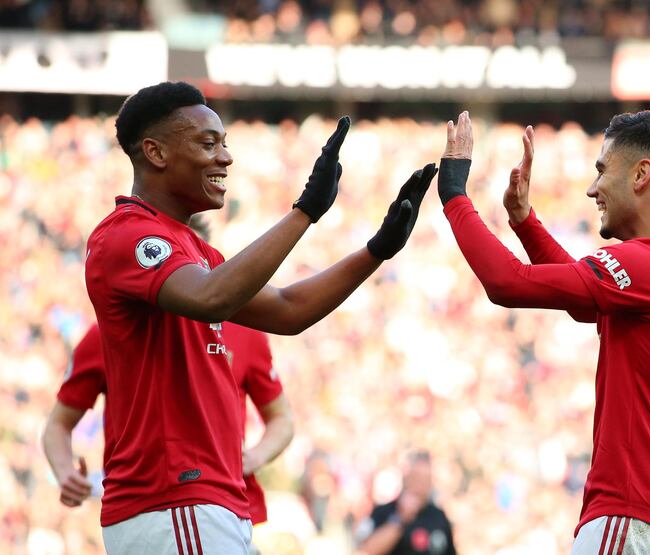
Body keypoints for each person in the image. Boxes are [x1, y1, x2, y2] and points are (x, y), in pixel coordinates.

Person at [85, 81, 436, 554]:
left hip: (203, 501)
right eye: (208, 143)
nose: (225, 158)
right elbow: (214, 299)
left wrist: (377, 250)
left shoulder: (196, 249)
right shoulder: (127, 236)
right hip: (173, 498)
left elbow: (289, 310)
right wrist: (304, 212)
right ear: (156, 152)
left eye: (224, 143)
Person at [437, 110, 650, 554]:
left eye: (601, 170)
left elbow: (506, 283)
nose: (593, 189)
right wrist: (524, 222)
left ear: (641, 174)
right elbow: (581, 297)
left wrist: (454, 194)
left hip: (635, 522)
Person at [42, 216, 293, 554]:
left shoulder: (246, 329)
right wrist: (64, 471)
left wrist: (254, 456)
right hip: (172, 501)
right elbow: (58, 422)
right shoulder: (111, 331)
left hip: (231, 504)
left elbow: (282, 417)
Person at [356, 451, 456, 555]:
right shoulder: (384, 511)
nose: (421, 485)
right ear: (406, 478)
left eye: (426, 479)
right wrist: (400, 518)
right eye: (417, 478)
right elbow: (367, 550)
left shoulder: (438, 516)